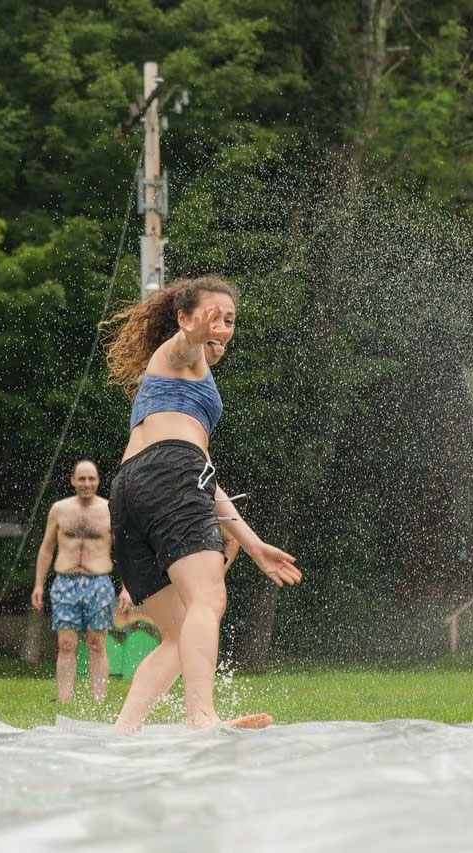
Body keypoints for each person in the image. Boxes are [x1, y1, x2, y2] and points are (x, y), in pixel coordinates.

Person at [103, 274, 302, 732]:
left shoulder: (171, 396)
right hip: (171, 474)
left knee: (177, 633)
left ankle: (123, 733)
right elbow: (183, 347)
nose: (223, 328)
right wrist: (196, 333)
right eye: (214, 317)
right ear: (184, 319)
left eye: (230, 320)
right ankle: (202, 717)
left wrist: (251, 544)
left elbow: (204, 480)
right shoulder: (178, 356)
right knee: (208, 599)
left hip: (131, 490)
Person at [32, 459, 132, 702]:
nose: (86, 483)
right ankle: (64, 698)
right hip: (65, 582)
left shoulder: (109, 510)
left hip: (98, 582)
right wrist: (38, 584)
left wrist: (127, 587)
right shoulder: (59, 510)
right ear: (73, 480)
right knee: (66, 644)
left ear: (98, 481)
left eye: (91, 478)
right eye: (82, 478)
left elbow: (124, 552)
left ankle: (99, 698)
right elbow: (47, 548)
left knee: (97, 643)